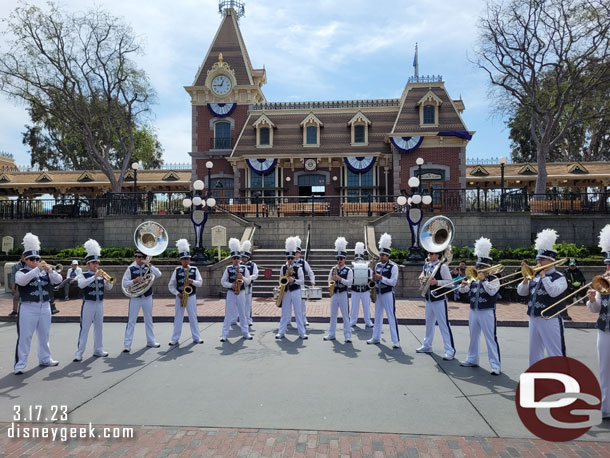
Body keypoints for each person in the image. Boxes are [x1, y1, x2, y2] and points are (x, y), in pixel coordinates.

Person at [517, 228, 568, 366]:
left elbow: (553, 292)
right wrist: (526, 279)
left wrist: (544, 277)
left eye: (542, 259)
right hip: (533, 317)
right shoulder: (535, 276)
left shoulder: (560, 277)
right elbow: (521, 292)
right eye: (538, 259)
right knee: (534, 352)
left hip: (550, 318)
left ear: (551, 260)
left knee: (555, 352)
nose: (538, 262)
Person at [14, 233, 62, 374]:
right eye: (32, 259)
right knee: (25, 337)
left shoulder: (44, 272)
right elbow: (22, 281)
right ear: (26, 260)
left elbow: (58, 280)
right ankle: (20, 365)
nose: (35, 261)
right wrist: (37, 269)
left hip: (45, 306)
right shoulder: (20, 272)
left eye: (37, 259)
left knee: (44, 335)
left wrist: (50, 270)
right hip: (28, 307)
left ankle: (45, 358)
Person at [458, 237, 501, 375]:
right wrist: (463, 285)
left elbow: (491, 291)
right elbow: (463, 291)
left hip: (487, 310)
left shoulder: (494, 279)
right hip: (473, 310)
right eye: (478, 267)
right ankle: (472, 359)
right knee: (473, 336)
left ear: (489, 268)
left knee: (490, 337)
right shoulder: (474, 278)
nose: (478, 269)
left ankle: (495, 365)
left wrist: (483, 280)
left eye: (481, 267)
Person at [585, 224, 610, 419]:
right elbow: (595, 309)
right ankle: (605, 407)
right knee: (604, 370)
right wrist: (592, 300)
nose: (607, 268)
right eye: (607, 265)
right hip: (604, 331)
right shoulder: (602, 284)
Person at [74, 239, 113, 361]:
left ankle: (98, 349)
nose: (96, 265)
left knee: (99, 327)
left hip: (100, 303)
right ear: (88, 264)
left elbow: (110, 287)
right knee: (85, 327)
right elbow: (81, 285)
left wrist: (107, 279)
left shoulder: (101, 274)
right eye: (94, 263)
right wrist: (94, 277)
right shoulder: (83, 275)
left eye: (97, 262)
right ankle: (79, 352)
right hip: (88, 304)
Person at [416, 246, 456, 360]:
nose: (429, 254)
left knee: (443, 325)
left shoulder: (442, 266)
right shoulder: (426, 265)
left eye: (432, 253)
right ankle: (427, 345)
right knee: (429, 324)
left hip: (439, 299)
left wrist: (437, 282)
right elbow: (423, 276)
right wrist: (421, 277)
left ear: (437, 255)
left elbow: (450, 283)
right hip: (429, 299)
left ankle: (450, 350)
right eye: (429, 252)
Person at [122, 249, 162, 352]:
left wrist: (149, 265)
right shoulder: (130, 269)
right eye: (138, 257)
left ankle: (151, 341)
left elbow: (158, 274)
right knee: (131, 321)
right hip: (135, 298)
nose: (140, 259)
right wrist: (134, 281)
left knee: (148, 320)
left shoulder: (148, 267)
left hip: (147, 297)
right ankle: (127, 344)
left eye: (142, 257)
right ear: (134, 257)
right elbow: (125, 283)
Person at [367, 233, 401, 349]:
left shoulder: (393, 267)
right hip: (378, 293)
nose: (381, 257)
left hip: (387, 293)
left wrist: (381, 278)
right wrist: (372, 283)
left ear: (387, 256)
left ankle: (396, 340)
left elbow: (393, 282)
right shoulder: (377, 266)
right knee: (377, 316)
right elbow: (375, 280)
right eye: (380, 254)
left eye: (383, 255)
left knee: (391, 316)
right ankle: (375, 337)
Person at [168, 239, 203, 345]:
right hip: (180, 296)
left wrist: (192, 281)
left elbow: (200, 283)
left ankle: (196, 337)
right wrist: (177, 293)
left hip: (191, 296)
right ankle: (175, 338)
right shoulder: (177, 270)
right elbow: (171, 285)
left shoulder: (194, 269)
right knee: (178, 317)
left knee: (193, 316)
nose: (186, 261)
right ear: (180, 260)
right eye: (184, 259)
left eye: (188, 259)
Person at [220, 238, 252, 341]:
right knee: (228, 313)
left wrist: (241, 277)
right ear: (231, 259)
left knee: (242, 313)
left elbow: (248, 281)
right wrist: (231, 285)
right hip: (231, 293)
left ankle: (245, 332)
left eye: (238, 258)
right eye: (234, 258)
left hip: (241, 292)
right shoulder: (228, 269)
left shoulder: (244, 268)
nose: (236, 260)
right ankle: (224, 334)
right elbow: (223, 281)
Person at [275, 236, 308, 340]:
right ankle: (281, 332)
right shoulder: (283, 267)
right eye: (288, 258)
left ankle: (302, 333)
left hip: (296, 291)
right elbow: (281, 279)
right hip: (286, 292)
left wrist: (293, 280)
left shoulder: (298, 268)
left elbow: (302, 281)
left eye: (292, 258)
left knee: (298, 312)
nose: (290, 260)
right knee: (285, 312)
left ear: (294, 258)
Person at [324, 237, 353, 343]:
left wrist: (340, 279)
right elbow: (328, 281)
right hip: (335, 294)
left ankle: (347, 335)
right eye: (338, 259)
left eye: (341, 259)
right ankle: (331, 334)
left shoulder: (348, 270)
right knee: (333, 315)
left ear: (345, 259)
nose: (339, 261)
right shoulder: (333, 269)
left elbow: (350, 282)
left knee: (345, 315)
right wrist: (332, 281)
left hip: (343, 293)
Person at [349, 242, 374, 328]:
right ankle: (353, 321)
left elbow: (371, 277)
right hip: (355, 290)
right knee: (354, 307)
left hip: (365, 290)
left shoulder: (367, 268)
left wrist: (368, 279)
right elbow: (349, 278)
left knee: (366, 306)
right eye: (357, 258)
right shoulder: (351, 268)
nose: (358, 260)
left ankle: (368, 321)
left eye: (360, 258)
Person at [294, 236, 315, 326]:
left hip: (301, 285)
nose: (296, 254)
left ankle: (303, 319)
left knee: (302, 304)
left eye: (297, 252)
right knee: (289, 303)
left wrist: (312, 280)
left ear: (300, 253)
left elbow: (310, 272)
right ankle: (287, 320)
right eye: (295, 252)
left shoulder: (303, 262)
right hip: (291, 285)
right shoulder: (289, 262)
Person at [240, 240, 258, 327]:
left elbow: (255, 274)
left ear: (248, 257)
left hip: (247, 285)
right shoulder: (238, 264)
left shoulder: (252, 265)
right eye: (242, 257)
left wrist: (248, 278)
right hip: (239, 286)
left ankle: (248, 319)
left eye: (244, 257)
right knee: (238, 302)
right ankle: (237, 318)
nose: (243, 258)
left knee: (247, 303)